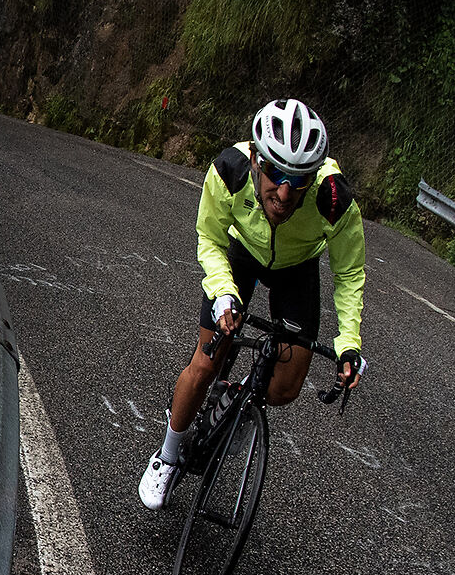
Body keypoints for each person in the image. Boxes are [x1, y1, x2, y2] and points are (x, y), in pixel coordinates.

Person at [139, 98, 368, 509]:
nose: (283, 192)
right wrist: (224, 291)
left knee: (284, 388)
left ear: (313, 177)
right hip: (241, 255)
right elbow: (209, 238)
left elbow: (349, 273)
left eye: (298, 180)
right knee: (206, 362)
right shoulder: (230, 171)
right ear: (258, 160)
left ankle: (238, 400)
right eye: (276, 173)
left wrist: (348, 340)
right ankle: (167, 456)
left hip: (297, 267)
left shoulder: (333, 199)